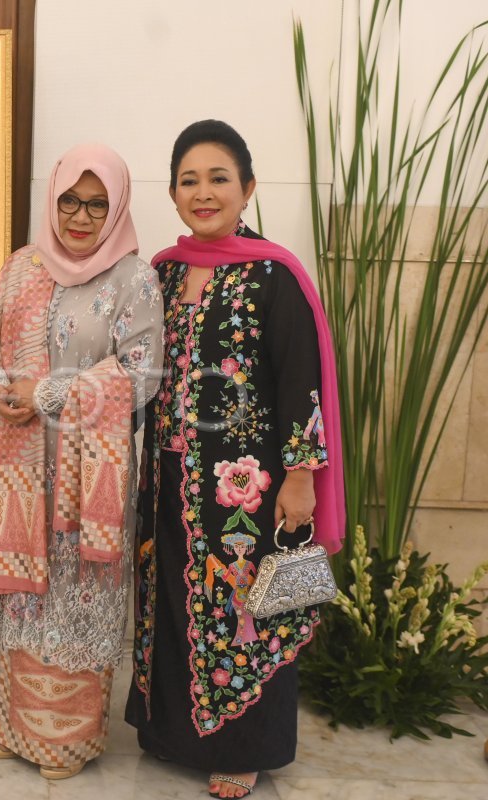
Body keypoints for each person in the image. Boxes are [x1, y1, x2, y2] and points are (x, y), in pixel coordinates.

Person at [124, 120, 346, 798]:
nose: (204, 192)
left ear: (247, 188)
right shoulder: (161, 272)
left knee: (244, 611)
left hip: (243, 488)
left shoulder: (274, 275)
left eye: (219, 178)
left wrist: (301, 478)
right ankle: (171, 734)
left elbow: (300, 379)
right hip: (167, 482)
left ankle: (244, 747)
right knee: (168, 601)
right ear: (172, 192)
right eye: (188, 180)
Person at [0, 144, 162, 780]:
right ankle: (16, 729)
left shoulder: (134, 280)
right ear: (52, 198)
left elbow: (142, 373)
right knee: (25, 602)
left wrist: (47, 392)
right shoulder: (22, 267)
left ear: (117, 208)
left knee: (76, 599)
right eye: (69, 200)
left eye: (97, 205)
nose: (80, 216)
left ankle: (67, 743)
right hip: (19, 468)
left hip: (88, 476)